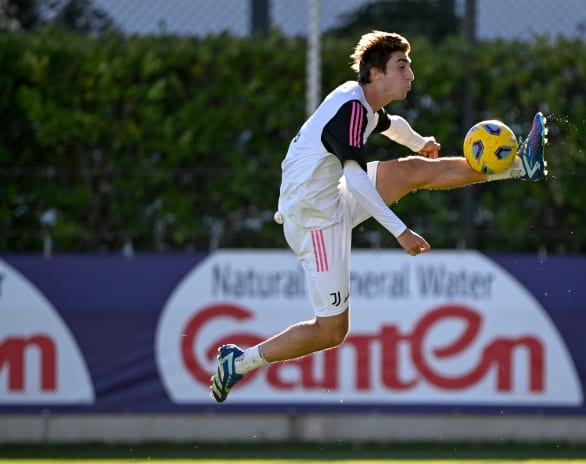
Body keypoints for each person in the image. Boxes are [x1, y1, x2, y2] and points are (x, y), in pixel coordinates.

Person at [209, 30, 547, 403]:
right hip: (314, 225)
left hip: (331, 197)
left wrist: (421, 143)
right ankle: (238, 363)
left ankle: (522, 167)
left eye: (409, 66)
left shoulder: (365, 106)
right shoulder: (351, 108)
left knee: (413, 170)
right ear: (375, 74)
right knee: (331, 331)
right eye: (401, 66)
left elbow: (391, 125)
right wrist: (400, 231)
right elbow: (355, 177)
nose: (410, 75)